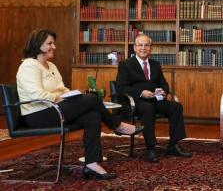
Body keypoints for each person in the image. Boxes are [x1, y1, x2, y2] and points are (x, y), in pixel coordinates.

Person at [16, 29, 143, 180]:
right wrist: (61, 98)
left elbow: (63, 89)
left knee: (93, 116)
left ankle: (92, 164)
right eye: (50, 43)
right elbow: (37, 95)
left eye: (53, 43)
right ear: (38, 45)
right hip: (39, 114)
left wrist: (70, 96)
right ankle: (117, 125)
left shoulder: (51, 66)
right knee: (92, 98)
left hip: (55, 109)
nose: (54, 47)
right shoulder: (29, 65)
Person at [116, 34, 192, 163]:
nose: (143, 48)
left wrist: (163, 91)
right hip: (135, 101)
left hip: (155, 99)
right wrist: (141, 92)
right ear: (134, 48)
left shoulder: (155, 64)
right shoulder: (126, 64)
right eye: (140, 45)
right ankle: (150, 148)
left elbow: (164, 83)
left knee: (176, 106)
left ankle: (173, 144)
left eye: (146, 45)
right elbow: (121, 87)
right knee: (147, 108)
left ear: (151, 48)